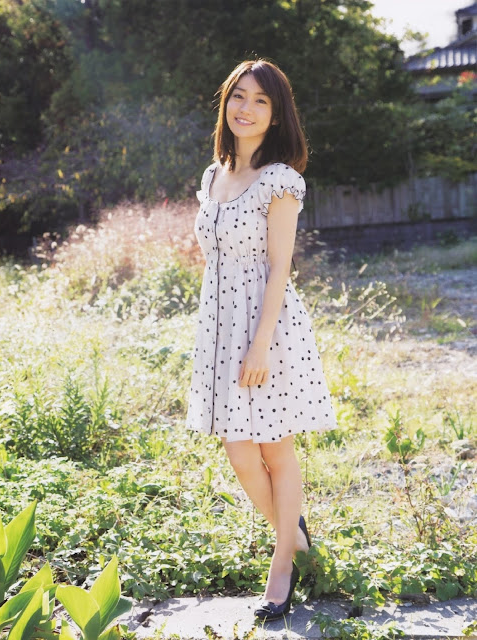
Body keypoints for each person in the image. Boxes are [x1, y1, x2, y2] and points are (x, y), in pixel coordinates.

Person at [186, 58, 338, 621]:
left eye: (260, 100)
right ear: (225, 103)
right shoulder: (214, 175)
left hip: (266, 325)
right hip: (219, 326)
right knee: (238, 450)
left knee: (274, 446)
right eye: (238, 96)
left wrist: (259, 344)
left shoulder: (280, 180)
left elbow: (279, 268)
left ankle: (282, 567)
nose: (245, 108)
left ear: (277, 115)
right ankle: (293, 537)